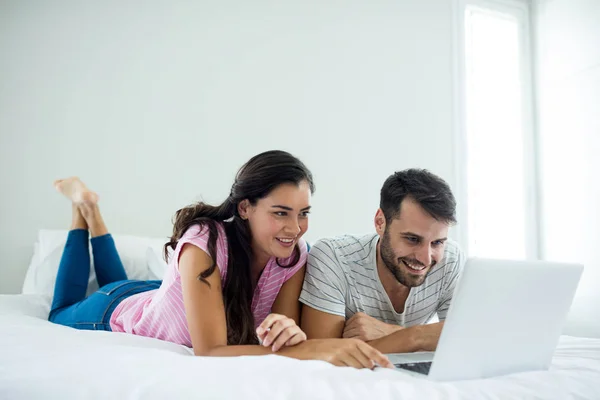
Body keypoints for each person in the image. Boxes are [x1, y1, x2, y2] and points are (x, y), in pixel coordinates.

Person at [48, 150, 393, 369]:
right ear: (245, 208)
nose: (295, 228)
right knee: (61, 310)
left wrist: (292, 337)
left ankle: (91, 212)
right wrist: (315, 351)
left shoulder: (294, 257)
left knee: (112, 282)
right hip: (114, 310)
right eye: (280, 213)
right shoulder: (204, 244)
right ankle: (83, 213)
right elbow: (210, 352)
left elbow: (283, 342)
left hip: (151, 295)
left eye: (303, 213)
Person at [300, 168, 465, 354]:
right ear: (380, 222)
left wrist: (406, 335)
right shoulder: (333, 257)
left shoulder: (450, 260)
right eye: (412, 239)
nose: (425, 258)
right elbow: (321, 356)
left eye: (437, 243)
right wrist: (421, 337)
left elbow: (469, 342)